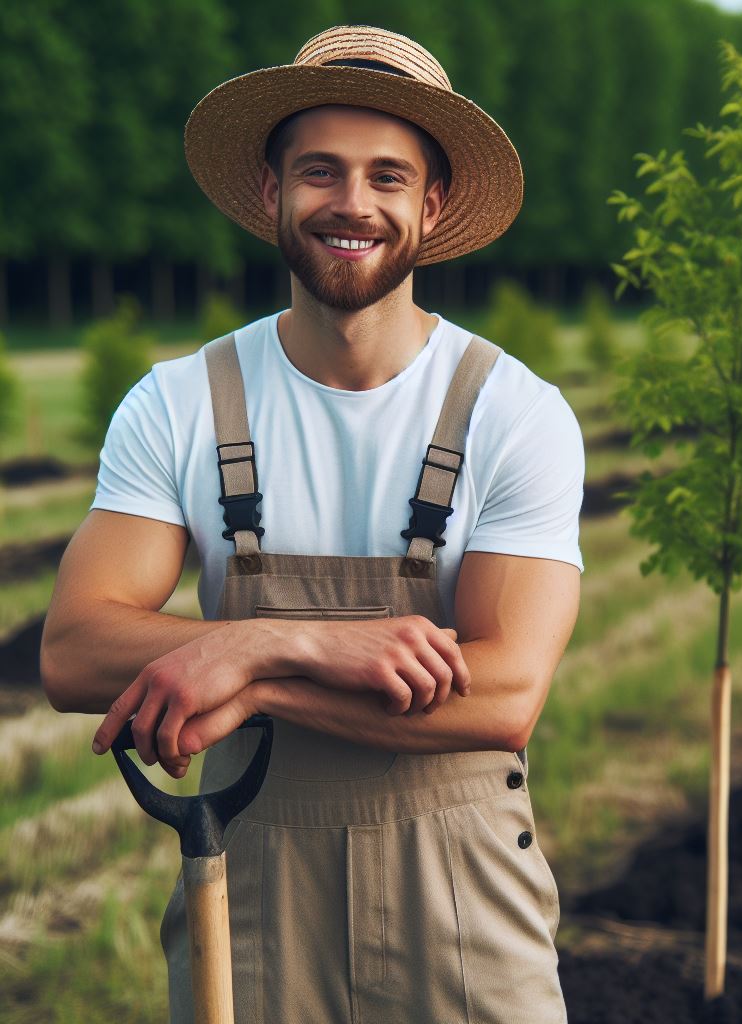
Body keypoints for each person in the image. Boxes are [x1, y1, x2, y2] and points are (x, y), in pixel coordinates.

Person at [40, 25, 583, 1024]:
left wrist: (241, 669)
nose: (352, 202)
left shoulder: (514, 409)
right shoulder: (179, 403)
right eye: (319, 170)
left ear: (431, 204)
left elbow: (503, 695)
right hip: (247, 881)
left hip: (461, 890)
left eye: (388, 175)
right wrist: (286, 640)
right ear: (270, 194)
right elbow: (74, 651)